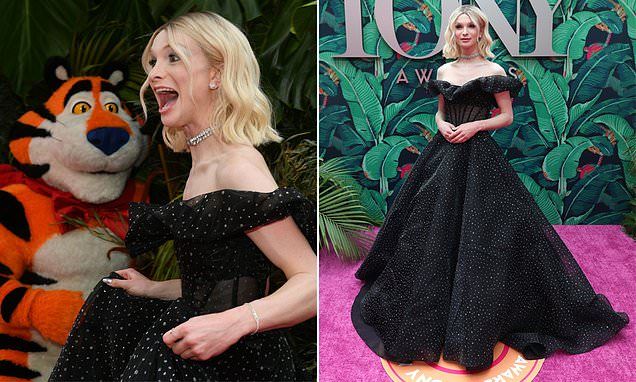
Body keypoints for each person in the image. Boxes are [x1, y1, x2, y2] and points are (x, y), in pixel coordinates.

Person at [351, 4, 628, 372]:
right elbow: (440, 111)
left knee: (483, 232)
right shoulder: (445, 69)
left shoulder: (494, 70)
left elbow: (507, 117)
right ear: (454, 32)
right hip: (443, 152)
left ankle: (481, 309)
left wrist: (475, 127)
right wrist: (441, 125)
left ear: (481, 31)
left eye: (472, 26)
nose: (465, 32)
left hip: (479, 154)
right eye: (460, 26)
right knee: (432, 227)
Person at [50, 11, 316, 381]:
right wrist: (155, 289)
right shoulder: (202, 166)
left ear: (216, 74)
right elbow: (232, 281)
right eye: (154, 61)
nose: (154, 73)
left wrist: (232, 324)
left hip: (237, 365)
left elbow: (312, 281)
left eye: (173, 57)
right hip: (194, 352)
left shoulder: (236, 165)